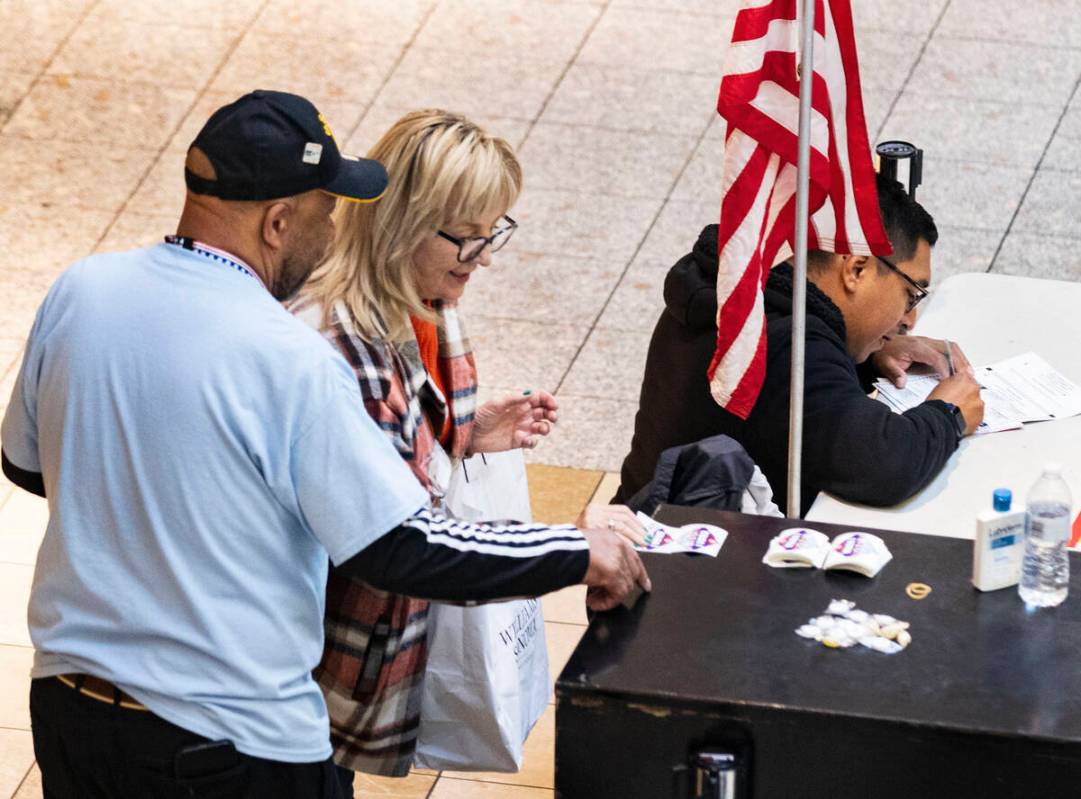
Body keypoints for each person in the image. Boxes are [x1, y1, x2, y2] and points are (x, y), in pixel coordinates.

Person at [0, 90, 648, 799]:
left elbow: (28, 464)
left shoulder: (81, 289)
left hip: (70, 715)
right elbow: (403, 548)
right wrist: (578, 549)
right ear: (278, 221)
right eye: (327, 211)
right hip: (230, 744)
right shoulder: (292, 358)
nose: (339, 228)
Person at [291, 109, 645, 790]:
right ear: (400, 222)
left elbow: (396, 449)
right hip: (299, 675)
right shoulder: (331, 347)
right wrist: (570, 545)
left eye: (493, 234)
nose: (482, 258)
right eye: (466, 238)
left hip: (333, 673)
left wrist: (461, 431)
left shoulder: (418, 304)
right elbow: (397, 539)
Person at [616, 173, 984, 516]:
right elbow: (884, 463)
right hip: (685, 571)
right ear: (856, 269)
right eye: (910, 293)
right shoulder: (791, 348)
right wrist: (947, 414)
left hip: (648, 526)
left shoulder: (726, 292)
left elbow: (793, 405)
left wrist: (866, 353)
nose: (909, 320)